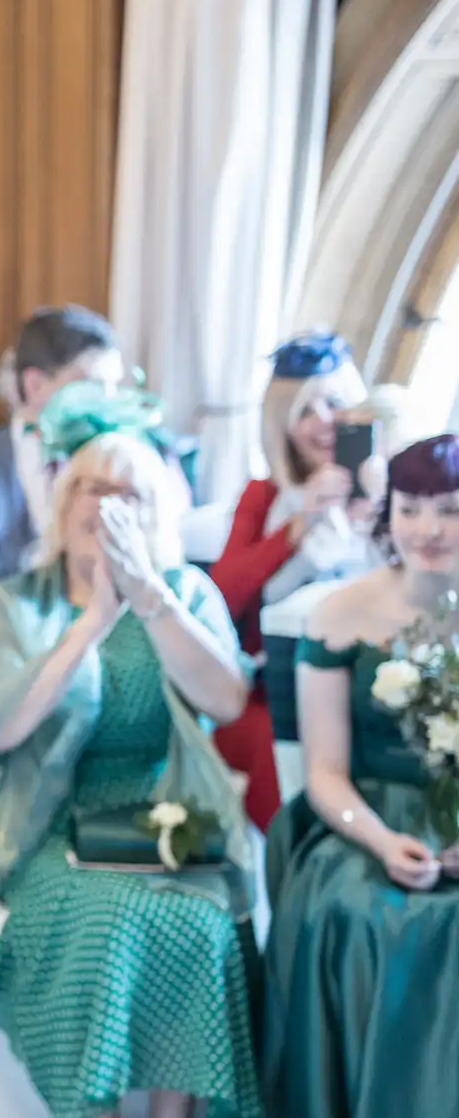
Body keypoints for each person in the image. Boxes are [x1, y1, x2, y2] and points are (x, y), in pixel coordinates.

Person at [0, 407, 257, 1118]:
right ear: (65, 497)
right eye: (92, 483)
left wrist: (150, 598)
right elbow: (0, 728)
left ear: (156, 506)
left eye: (129, 488)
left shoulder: (187, 590)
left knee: (202, 922)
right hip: (51, 822)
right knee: (106, 919)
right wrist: (91, 619)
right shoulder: (21, 603)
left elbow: (228, 701)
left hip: (166, 819)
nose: (108, 500)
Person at [235, 434, 459, 1118]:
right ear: (388, 515)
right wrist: (386, 837)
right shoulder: (343, 611)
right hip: (359, 824)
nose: (429, 527)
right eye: (413, 508)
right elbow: (324, 773)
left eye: (449, 510)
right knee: (369, 921)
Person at [0, 304, 127, 879]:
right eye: (89, 386)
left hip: (101, 648)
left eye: (114, 387)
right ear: (36, 385)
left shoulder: (124, 468)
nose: (106, 403)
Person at [209, 330, 376, 830]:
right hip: (274, 683)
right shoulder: (264, 497)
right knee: (276, 741)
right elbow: (223, 591)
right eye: (305, 411)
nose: (324, 423)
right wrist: (299, 523)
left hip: (362, 677)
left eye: (335, 404)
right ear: (281, 422)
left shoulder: (392, 500)